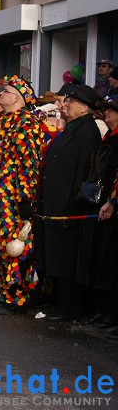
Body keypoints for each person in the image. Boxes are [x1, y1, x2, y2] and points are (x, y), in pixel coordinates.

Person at [36, 84, 101, 322]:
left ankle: (70, 307)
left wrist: (75, 203)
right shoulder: (74, 127)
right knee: (56, 255)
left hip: (68, 206)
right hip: (55, 202)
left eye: (71, 102)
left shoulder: (87, 131)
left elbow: (85, 170)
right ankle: (59, 301)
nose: (65, 105)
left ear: (84, 108)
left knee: (66, 258)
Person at [0, 76, 43, 315]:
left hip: (13, 196)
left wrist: (25, 197)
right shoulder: (1, 122)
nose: (1, 95)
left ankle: (17, 297)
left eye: (6, 92)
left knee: (14, 245)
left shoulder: (28, 123)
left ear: (16, 97)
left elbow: (29, 163)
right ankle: (4, 291)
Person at [77, 94, 118, 337]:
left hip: (111, 205)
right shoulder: (107, 137)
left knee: (111, 261)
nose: (107, 113)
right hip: (99, 204)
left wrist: (113, 201)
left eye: (111, 109)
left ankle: (112, 311)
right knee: (101, 258)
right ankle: (103, 308)